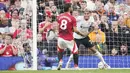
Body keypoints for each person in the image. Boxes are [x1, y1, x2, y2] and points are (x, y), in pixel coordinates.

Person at [57, 3, 85, 70]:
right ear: (69, 8)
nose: (72, 8)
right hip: (69, 38)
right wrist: (82, 34)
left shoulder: (59, 16)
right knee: (75, 51)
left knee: (60, 50)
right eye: (71, 7)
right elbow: (75, 30)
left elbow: (59, 27)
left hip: (60, 37)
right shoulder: (72, 18)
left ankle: (60, 61)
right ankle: (76, 66)